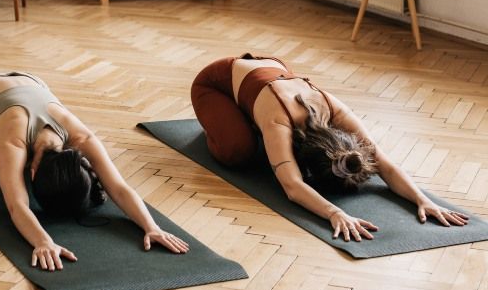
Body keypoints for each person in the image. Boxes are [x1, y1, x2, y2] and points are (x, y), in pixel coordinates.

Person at [191, 54, 469, 242]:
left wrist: (423, 200)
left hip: (270, 68)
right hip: (216, 82)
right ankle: (224, 122)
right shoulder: (279, 120)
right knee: (239, 151)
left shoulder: (337, 110)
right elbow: (292, 186)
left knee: (270, 151)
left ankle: (248, 119)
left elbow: (384, 163)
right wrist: (334, 212)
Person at [0, 72, 189, 270]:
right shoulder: (14, 143)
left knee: (10, 162)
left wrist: (151, 227)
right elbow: (17, 206)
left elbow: (119, 188)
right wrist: (43, 242)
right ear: (31, 173)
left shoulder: (82, 138)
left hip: (29, 84)